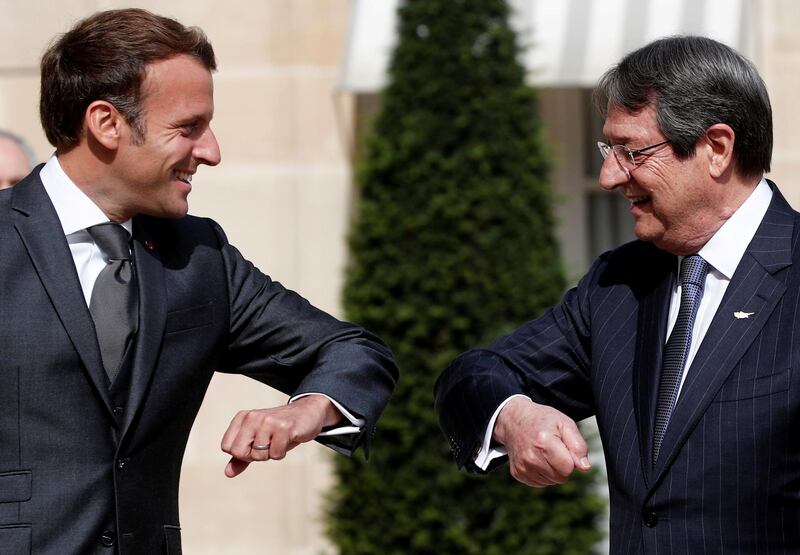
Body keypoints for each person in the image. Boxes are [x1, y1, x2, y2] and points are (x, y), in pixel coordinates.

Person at [0, 8, 397, 555]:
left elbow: (354, 351)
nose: (211, 151)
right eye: (188, 128)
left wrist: (307, 409)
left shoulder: (200, 256)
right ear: (106, 123)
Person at [435, 36, 795, 553]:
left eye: (633, 152)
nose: (609, 176)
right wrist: (514, 415)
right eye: (610, 150)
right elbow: (470, 376)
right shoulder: (618, 285)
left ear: (716, 149)